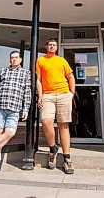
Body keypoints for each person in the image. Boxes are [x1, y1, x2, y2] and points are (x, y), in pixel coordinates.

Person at [0, 51, 31, 173]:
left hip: (15, 108)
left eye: (16, 57)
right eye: (12, 58)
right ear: (10, 59)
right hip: (0, 106)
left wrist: (26, 108)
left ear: (20, 59)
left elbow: (27, 92)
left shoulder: (25, 73)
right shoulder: (3, 71)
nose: (14, 59)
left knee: (10, 132)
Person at [36, 38, 76, 174]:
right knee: (46, 121)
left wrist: (72, 93)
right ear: (46, 46)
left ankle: (67, 158)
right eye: (50, 45)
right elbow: (39, 80)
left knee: (63, 125)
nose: (52, 46)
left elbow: (70, 77)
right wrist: (40, 96)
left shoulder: (61, 60)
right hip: (48, 96)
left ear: (57, 47)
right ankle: (53, 148)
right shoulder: (41, 60)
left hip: (64, 94)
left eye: (54, 45)